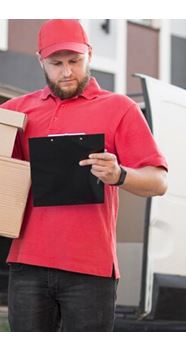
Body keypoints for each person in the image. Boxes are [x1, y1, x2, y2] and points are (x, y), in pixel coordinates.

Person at [0, 19, 168, 331]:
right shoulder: (17, 111)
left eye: (75, 61)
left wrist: (119, 174)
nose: (66, 72)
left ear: (89, 54)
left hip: (90, 270)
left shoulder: (120, 108)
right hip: (28, 266)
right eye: (56, 63)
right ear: (41, 61)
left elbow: (158, 181)